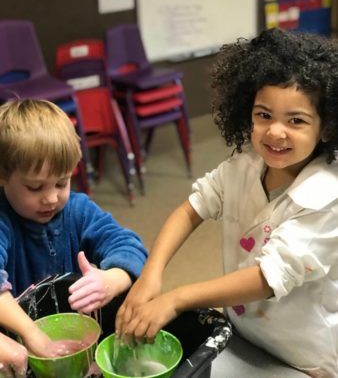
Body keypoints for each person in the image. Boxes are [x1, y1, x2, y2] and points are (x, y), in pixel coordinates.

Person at [115, 28, 338, 378]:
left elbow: (268, 277)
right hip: (243, 333)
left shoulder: (328, 198)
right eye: (264, 115)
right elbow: (191, 209)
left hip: (301, 357)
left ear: (326, 128)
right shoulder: (244, 165)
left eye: (296, 120)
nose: (276, 132)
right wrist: (151, 273)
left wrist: (177, 297)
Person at [0, 99, 147, 374]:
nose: (52, 198)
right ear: (2, 176)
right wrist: (31, 334)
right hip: (13, 341)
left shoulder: (78, 210)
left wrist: (110, 280)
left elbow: (130, 246)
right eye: (35, 187)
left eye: (62, 182)